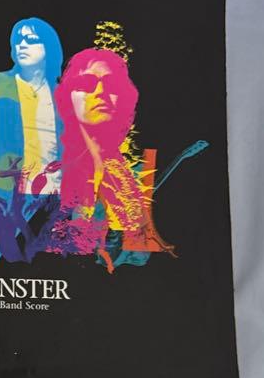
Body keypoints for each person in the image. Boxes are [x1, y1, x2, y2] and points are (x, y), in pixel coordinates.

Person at [50, 47, 173, 271]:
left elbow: (144, 256)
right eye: (86, 84)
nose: (100, 92)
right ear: (67, 97)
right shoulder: (49, 171)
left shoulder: (142, 169)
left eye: (112, 85)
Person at [0, 18, 63, 265]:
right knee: (7, 263)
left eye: (31, 40)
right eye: (18, 40)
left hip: (52, 194)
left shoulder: (62, 93)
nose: (22, 44)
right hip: (8, 192)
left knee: (45, 269)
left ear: (49, 48)